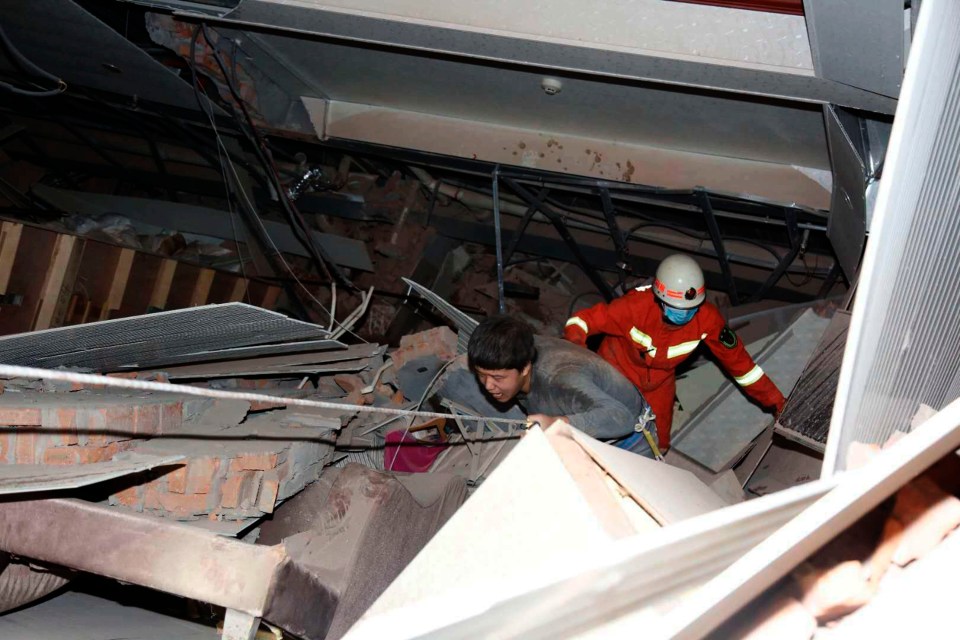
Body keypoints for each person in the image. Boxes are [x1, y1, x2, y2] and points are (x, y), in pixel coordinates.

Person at [563, 253, 785, 451]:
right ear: (659, 299)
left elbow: (742, 366)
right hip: (615, 372)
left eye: (691, 308)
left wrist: (776, 401)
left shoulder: (707, 320)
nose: (685, 315)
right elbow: (582, 322)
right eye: (677, 308)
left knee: (659, 442)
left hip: (659, 384)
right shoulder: (633, 308)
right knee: (599, 424)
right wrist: (581, 360)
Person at [448, 314, 654, 454]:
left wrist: (556, 423)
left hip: (630, 441)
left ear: (525, 368)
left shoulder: (560, 380)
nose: (488, 385)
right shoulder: (516, 347)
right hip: (591, 425)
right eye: (481, 375)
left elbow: (621, 418)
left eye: (498, 378)